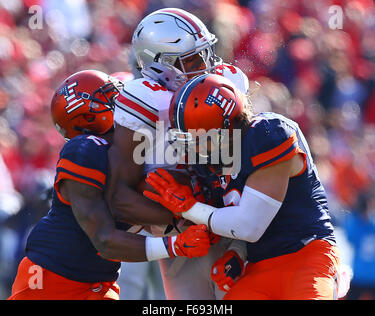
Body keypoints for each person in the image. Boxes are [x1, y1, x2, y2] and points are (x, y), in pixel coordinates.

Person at [7, 70, 212, 300]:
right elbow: (105, 240)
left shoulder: (129, 150)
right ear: (86, 118)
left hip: (101, 282)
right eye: (111, 97)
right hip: (53, 277)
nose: (123, 101)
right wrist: (175, 244)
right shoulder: (85, 149)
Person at [144, 73, 342, 300]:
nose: (193, 147)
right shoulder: (211, 162)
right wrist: (237, 253)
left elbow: (249, 225)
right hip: (259, 266)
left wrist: (189, 207)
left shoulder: (268, 135)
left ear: (225, 129)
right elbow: (238, 219)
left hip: (306, 255)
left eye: (198, 138)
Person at [108, 7, 250, 300]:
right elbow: (119, 196)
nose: (208, 66)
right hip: (173, 234)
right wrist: (181, 222)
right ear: (161, 65)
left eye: (207, 53)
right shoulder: (144, 100)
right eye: (195, 59)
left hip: (232, 224)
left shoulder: (223, 86)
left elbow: (242, 171)